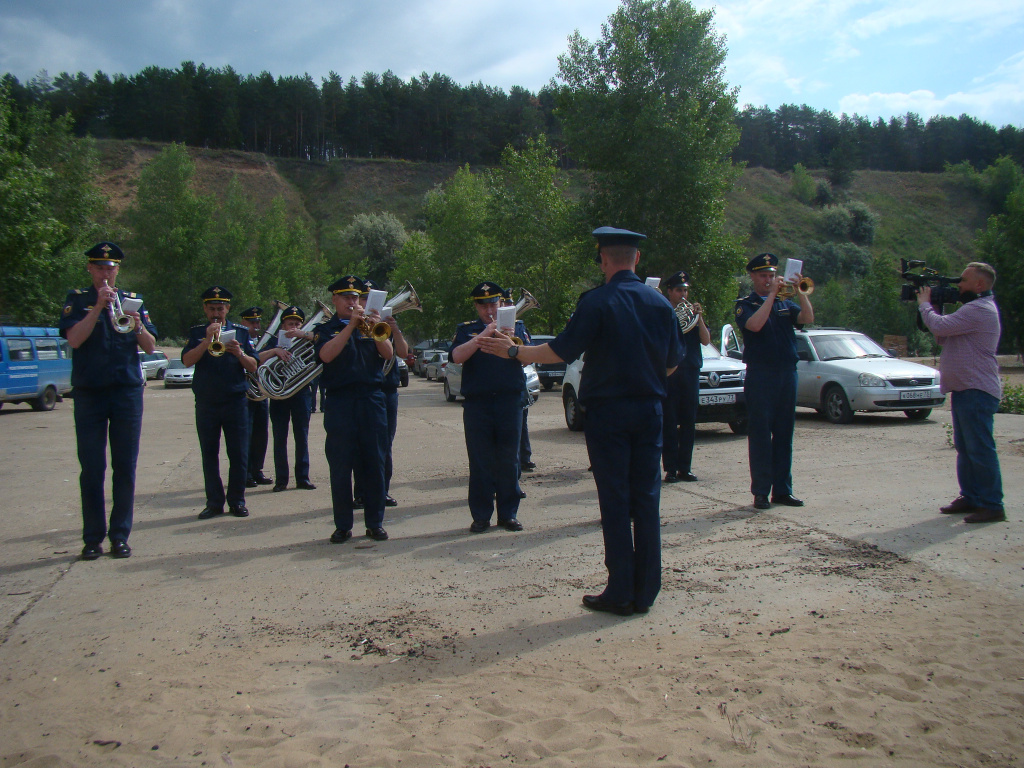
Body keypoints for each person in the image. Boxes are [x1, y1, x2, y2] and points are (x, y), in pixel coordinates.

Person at [479, 228, 682, 616]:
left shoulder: (596, 301)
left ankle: (620, 589)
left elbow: (559, 350)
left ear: (604, 260)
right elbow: (673, 363)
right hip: (651, 411)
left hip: (609, 414)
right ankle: (646, 590)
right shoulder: (660, 305)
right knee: (648, 498)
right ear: (636, 259)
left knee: (616, 500)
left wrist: (512, 351)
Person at [60, 242, 158, 560]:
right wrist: (98, 309)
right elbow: (74, 339)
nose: (106, 273)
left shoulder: (132, 302)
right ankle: (92, 538)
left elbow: (149, 346)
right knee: (91, 467)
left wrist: (138, 324)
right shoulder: (78, 300)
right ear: (90, 268)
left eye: (111, 267)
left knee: (125, 466)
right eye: (100, 267)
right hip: (90, 393)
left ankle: (120, 535)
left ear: (118, 269)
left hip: (126, 392)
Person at [917, 262, 1005, 523]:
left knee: (979, 448)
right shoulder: (972, 309)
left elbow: (941, 327)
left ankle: (992, 504)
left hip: (976, 389)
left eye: (963, 280)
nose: (959, 285)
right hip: (966, 389)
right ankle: (972, 496)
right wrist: (935, 310)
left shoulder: (979, 309)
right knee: (966, 448)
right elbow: (942, 335)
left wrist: (924, 304)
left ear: (979, 284)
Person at [314, 276, 394, 543]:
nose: (353, 302)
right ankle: (343, 525)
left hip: (372, 399)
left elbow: (388, 353)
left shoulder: (371, 325)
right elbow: (326, 355)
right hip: (340, 401)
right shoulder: (326, 328)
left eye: (357, 298)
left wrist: (372, 326)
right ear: (335, 300)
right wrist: (349, 326)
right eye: (347, 297)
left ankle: (375, 522)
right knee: (340, 465)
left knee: (375, 463)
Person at [735, 253, 813, 511]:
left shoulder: (785, 303)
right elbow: (755, 326)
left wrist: (801, 292)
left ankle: (782, 490)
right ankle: (760, 492)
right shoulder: (745, 304)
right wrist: (771, 296)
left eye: (771, 276)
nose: (769, 280)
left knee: (784, 433)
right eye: (763, 276)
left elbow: (806, 319)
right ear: (753, 277)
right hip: (761, 374)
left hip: (786, 372)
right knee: (759, 434)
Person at [451, 282, 526, 533]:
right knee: (480, 461)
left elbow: (526, 355)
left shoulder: (517, 327)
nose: (489, 309)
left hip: (508, 401)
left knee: (509, 460)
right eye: (483, 305)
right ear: (476, 306)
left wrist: (504, 335)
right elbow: (457, 356)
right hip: (478, 404)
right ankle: (481, 516)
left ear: (502, 303)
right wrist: (485, 334)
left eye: (493, 303)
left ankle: (508, 514)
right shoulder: (467, 330)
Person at [182, 286, 259, 520]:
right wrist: (206, 341)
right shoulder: (197, 332)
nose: (217, 313)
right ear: (205, 309)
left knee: (238, 454)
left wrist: (239, 354)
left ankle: (237, 500)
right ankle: (214, 502)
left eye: (221, 308)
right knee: (209, 453)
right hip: (207, 402)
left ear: (228, 309)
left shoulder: (241, 332)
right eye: (212, 308)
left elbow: (254, 367)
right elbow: (186, 361)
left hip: (235, 401)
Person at [351, 279, 409, 507]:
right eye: (363, 299)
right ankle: (361, 492)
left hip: (387, 391)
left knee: (384, 444)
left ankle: (382, 490)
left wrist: (394, 329)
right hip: (363, 390)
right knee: (359, 443)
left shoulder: (384, 324)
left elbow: (403, 353)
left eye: (370, 299)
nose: (366, 303)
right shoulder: (353, 324)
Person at [259, 305, 316, 492]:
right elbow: (256, 358)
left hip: (301, 393)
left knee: (302, 437)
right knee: (279, 438)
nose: (293, 327)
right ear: (282, 325)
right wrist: (275, 351)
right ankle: (281, 479)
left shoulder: (307, 342)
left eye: (297, 324)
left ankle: (303, 478)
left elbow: (317, 361)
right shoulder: (273, 341)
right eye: (290, 324)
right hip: (279, 394)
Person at [662, 271, 710, 483]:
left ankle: (685, 467)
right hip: (671, 371)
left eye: (685, 290)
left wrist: (699, 318)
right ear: (669, 292)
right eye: (679, 290)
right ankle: (670, 468)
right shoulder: (664, 313)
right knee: (670, 421)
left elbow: (706, 340)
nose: (683, 294)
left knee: (689, 422)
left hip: (690, 370)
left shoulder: (691, 313)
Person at [238, 306, 273, 488]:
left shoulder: (263, 340)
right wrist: (273, 352)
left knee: (261, 434)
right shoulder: (239, 337)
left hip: (260, 390)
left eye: (258, 322)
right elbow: (256, 358)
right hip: (245, 392)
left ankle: (257, 470)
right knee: (246, 434)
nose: (256, 325)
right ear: (243, 322)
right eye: (252, 322)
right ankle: (245, 473)